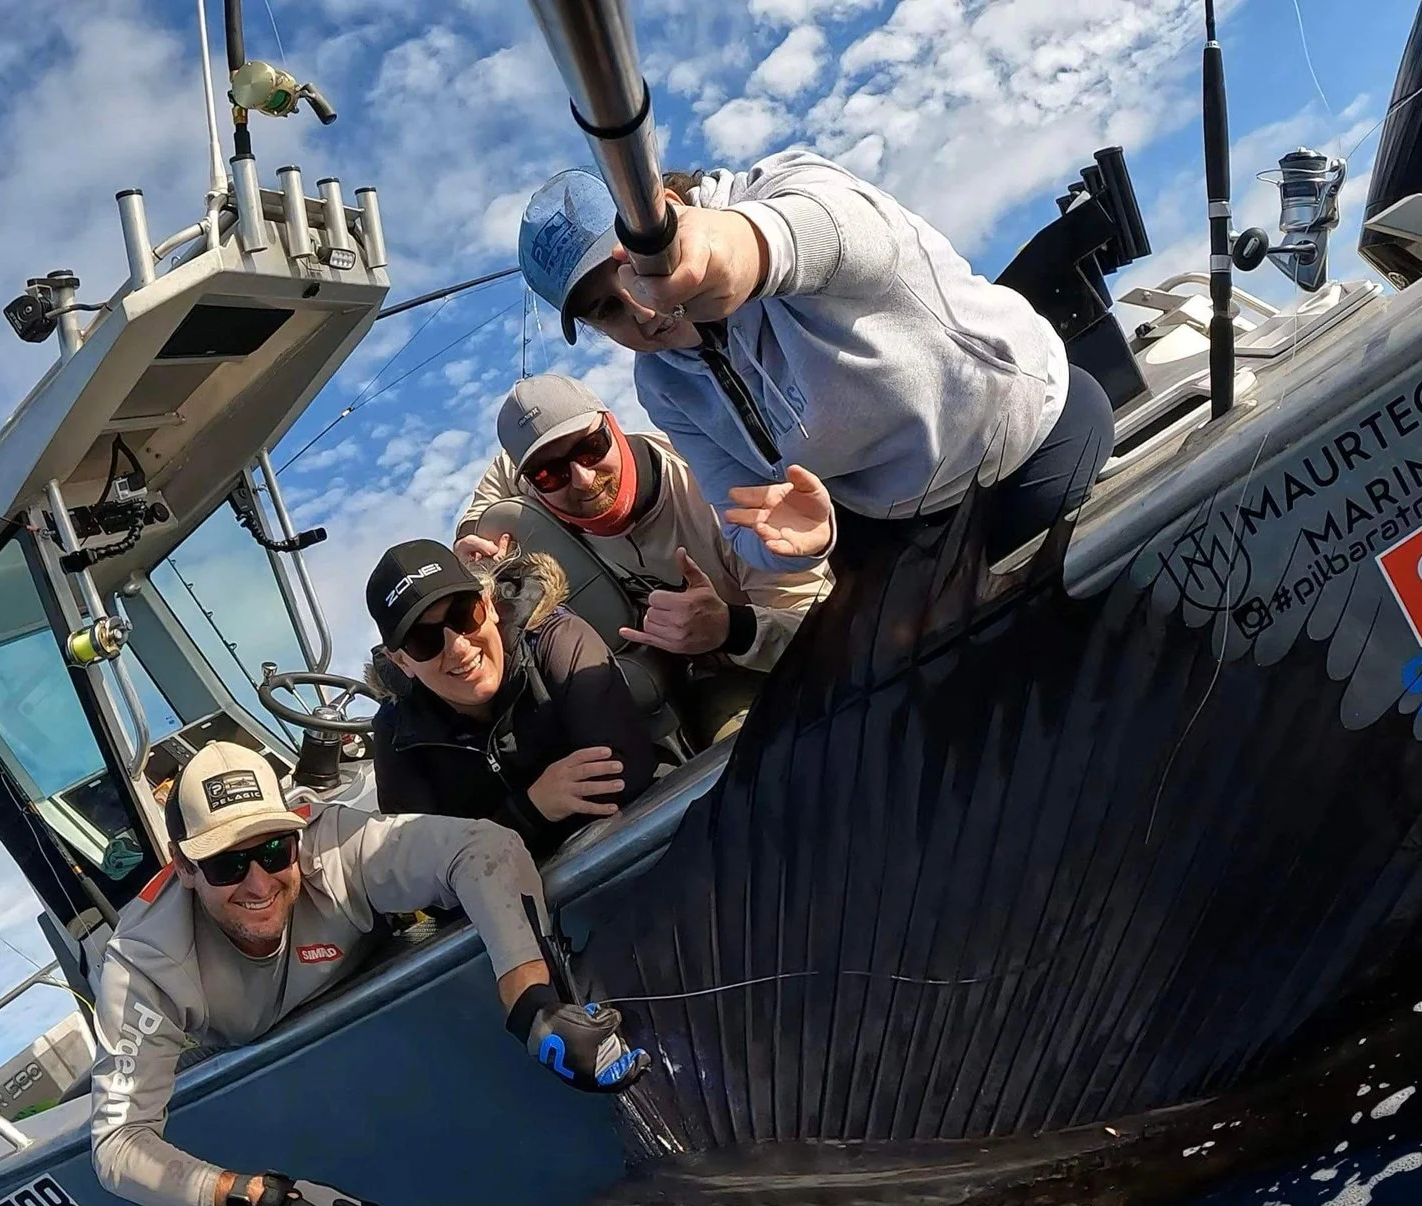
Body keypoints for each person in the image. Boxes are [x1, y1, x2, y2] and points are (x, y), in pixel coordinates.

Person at [90, 742, 648, 1206]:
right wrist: (254, 1197)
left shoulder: (333, 846)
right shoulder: (144, 962)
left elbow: (485, 848)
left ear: (296, 835)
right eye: (226, 864)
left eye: (274, 850)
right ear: (184, 866)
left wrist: (532, 1005)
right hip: (238, 1041)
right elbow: (118, 1146)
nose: (258, 883)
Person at [517, 156, 1116, 565]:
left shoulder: (778, 187)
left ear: (672, 207)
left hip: (1028, 436)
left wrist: (743, 249)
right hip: (890, 522)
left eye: (638, 269)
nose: (641, 309)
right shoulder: (663, 384)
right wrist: (788, 540)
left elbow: (855, 233)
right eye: (605, 310)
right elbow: (739, 513)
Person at [454, 373, 831, 740]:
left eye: (590, 449)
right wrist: (470, 534)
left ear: (612, 426)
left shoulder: (721, 498)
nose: (583, 479)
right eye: (551, 475)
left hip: (757, 670)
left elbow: (823, 630)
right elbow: (504, 470)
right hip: (663, 681)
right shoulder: (532, 485)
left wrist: (732, 629)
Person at [366, 538, 656, 857]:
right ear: (402, 662)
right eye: (424, 640)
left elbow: (625, 776)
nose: (459, 647)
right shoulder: (397, 733)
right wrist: (532, 807)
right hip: (517, 901)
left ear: (488, 605)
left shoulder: (555, 640)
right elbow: (426, 879)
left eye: (464, 614)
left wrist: (486, 841)